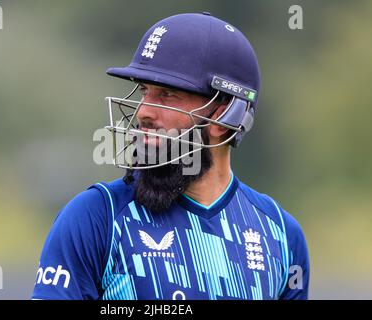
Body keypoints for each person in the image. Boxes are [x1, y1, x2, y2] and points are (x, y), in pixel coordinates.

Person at [32, 12, 309, 300]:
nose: (143, 112)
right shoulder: (97, 216)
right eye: (144, 91)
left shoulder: (281, 234)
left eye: (166, 94)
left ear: (223, 114)